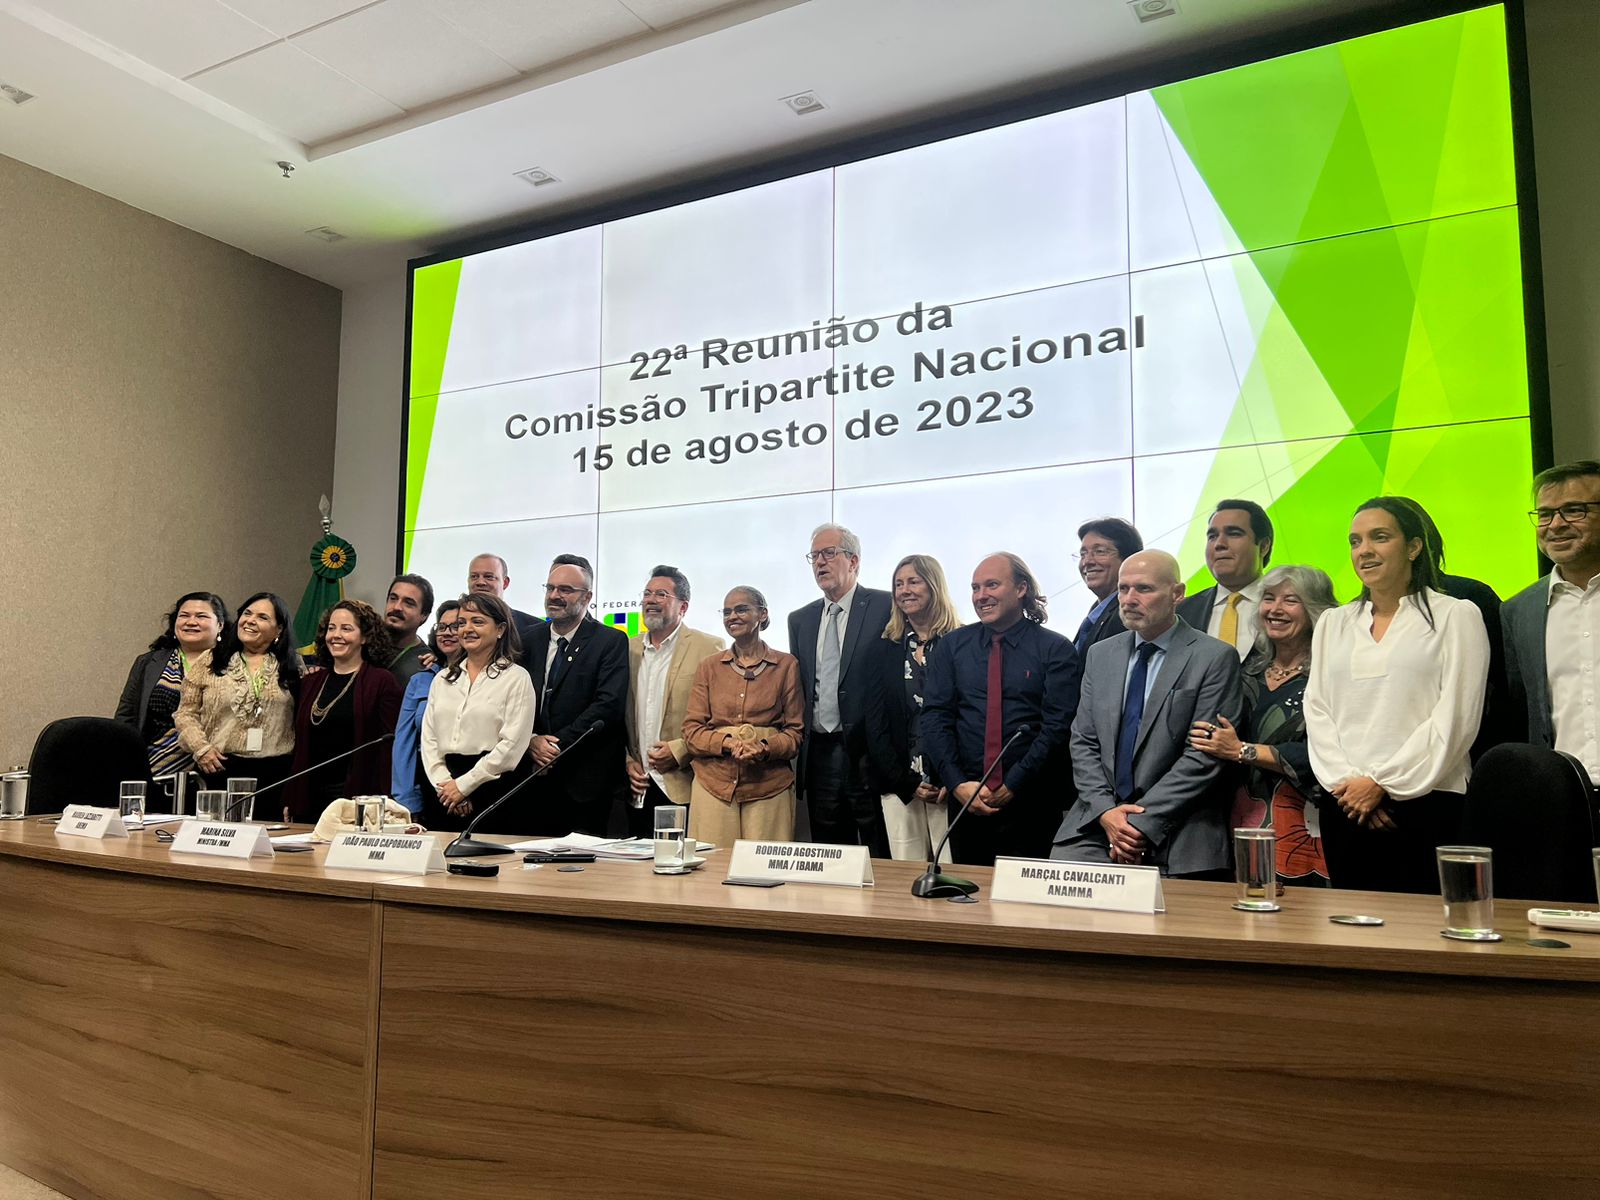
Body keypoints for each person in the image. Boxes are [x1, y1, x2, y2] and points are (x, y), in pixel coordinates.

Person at [1305, 497, 1490, 893]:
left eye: (1380, 537)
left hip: (1428, 800)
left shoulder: (1456, 615)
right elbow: (1317, 710)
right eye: (1355, 541)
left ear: (1413, 546)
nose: (1364, 550)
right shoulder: (1334, 623)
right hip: (1346, 804)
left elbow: (1456, 717)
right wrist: (1352, 786)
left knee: (1425, 926)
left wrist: (1382, 783)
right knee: (1351, 923)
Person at [1053, 550, 1242, 876]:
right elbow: (1083, 742)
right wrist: (1107, 813)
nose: (1129, 599)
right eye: (1123, 589)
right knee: (1054, 896)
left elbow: (1203, 757)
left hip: (1180, 828)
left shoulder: (1215, 657)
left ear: (1177, 594)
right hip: (1098, 822)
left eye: (1144, 589)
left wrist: (1138, 823)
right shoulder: (1100, 655)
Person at [921, 553, 1080, 865]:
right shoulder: (952, 646)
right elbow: (935, 717)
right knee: (968, 891)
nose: (981, 596)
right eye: (975, 588)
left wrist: (1013, 785)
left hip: (1031, 802)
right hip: (966, 800)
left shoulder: (1055, 649)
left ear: (1021, 589)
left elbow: (1057, 727)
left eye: (991, 585)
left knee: (1026, 894)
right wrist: (956, 783)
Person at [1187, 565, 1338, 886]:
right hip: (1235, 821)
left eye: (1290, 600)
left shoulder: (1330, 675)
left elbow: (1329, 753)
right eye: (1269, 598)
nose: (1275, 609)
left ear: (1316, 610)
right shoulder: (1248, 669)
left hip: (1305, 827)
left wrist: (1241, 750)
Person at [788, 523, 894, 856]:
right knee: (830, 856)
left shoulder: (885, 606)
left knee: (880, 852)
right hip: (820, 754)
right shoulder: (800, 620)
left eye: (829, 553)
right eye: (814, 556)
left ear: (854, 561)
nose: (820, 562)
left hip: (870, 753)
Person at [1503, 460, 1600, 786]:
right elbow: (1521, 711)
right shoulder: (1519, 611)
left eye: (1573, 510)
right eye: (1544, 514)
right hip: (1563, 795)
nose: (1555, 525)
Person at [683, 587, 804, 845]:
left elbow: (795, 733)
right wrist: (727, 743)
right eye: (727, 612)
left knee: (765, 865)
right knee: (713, 865)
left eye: (741, 609)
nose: (732, 617)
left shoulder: (786, 665)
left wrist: (763, 747)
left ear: (763, 614)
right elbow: (692, 731)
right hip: (713, 784)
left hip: (769, 786)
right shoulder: (708, 667)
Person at [863, 554, 963, 862]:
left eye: (913, 582)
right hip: (900, 787)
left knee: (955, 873)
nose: (904, 590)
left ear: (933, 586)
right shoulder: (882, 648)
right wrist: (905, 782)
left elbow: (970, 716)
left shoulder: (962, 643)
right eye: (898, 584)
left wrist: (953, 778)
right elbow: (875, 724)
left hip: (952, 785)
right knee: (906, 876)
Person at [521, 555, 629, 834]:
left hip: (585, 782)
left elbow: (607, 706)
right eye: (550, 588)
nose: (554, 596)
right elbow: (513, 701)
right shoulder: (528, 639)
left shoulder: (610, 641)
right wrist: (531, 740)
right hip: (531, 778)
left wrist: (554, 747)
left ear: (588, 597)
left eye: (565, 590)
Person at [1397, 497, 1507, 760]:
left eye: (1381, 537)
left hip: (1461, 752)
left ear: (1416, 545)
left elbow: (1500, 681)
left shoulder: (1468, 598)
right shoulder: (1354, 615)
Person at [173, 592, 302, 810]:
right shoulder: (210, 659)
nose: (250, 620)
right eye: (247, 613)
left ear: (279, 629)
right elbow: (185, 713)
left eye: (262, 617)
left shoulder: (293, 665)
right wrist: (201, 749)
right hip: (218, 768)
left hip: (275, 775)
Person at [420, 593, 535, 833]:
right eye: (462, 623)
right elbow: (429, 740)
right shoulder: (443, 679)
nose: (467, 629)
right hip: (443, 791)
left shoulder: (516, 678)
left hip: (493, 789)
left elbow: (512, 746)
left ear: (500, 629)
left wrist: (464, 786)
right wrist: (447, 786)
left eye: (478, 622)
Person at [624, 566, 725, 837]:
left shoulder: (709, 647)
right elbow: (613, 713)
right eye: (647, 593)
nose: (651, 600)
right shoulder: (627, 648)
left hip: (684, 784)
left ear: (683, 606)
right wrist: (627, 762)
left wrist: (680, 750)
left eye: (661, 594)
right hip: (636, 788)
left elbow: (720, 717)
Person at [287, 600, 403, 822]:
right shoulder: (311, 682)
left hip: (357, 798)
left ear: (365, 637)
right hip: (309, 797)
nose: (336, 635)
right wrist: (291, 796)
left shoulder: (381, 682)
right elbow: (299, 746)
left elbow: (389, 749)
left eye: (346, 629)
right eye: (331, 628)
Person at [115, 591, 226, 778]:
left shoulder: (232, 665)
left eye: (201, 616)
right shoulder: (148, 662)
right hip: (150, 763)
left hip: (213, 764)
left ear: (220, 625)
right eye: (184, 616)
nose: (191, 622)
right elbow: (126, 716)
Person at [1178, 499, 1272, 662]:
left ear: (1263, 546)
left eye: (1234, 534)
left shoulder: (1292, 609)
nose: (1219, 544)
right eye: (1212, 536)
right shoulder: (1183, 612)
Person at [392, 599, 461, 816]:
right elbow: (403, 742)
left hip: (468, 781)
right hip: (428, 783)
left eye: (456, 626)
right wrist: (406, 800)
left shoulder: (485, 678)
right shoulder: (420, 680)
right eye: (442, 626)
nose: (447, 632)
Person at [1072, 517, 1142, 659]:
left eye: (1099, 551)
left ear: (1128, 559)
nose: (1087, 561)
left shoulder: (1131, 612)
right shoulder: (1096, 613)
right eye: (1083, 554)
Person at [468, 553, 542, 650]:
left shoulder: (533, 628)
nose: (480, 582)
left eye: (489, 576)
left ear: (505, 583)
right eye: (474, 576)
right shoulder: (453, 624)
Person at [383, 572, 435, 686]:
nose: (397, 607)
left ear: (424, 616)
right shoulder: (363, 644)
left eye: (408, 603)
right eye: (393, 599)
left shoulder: (426, 664)